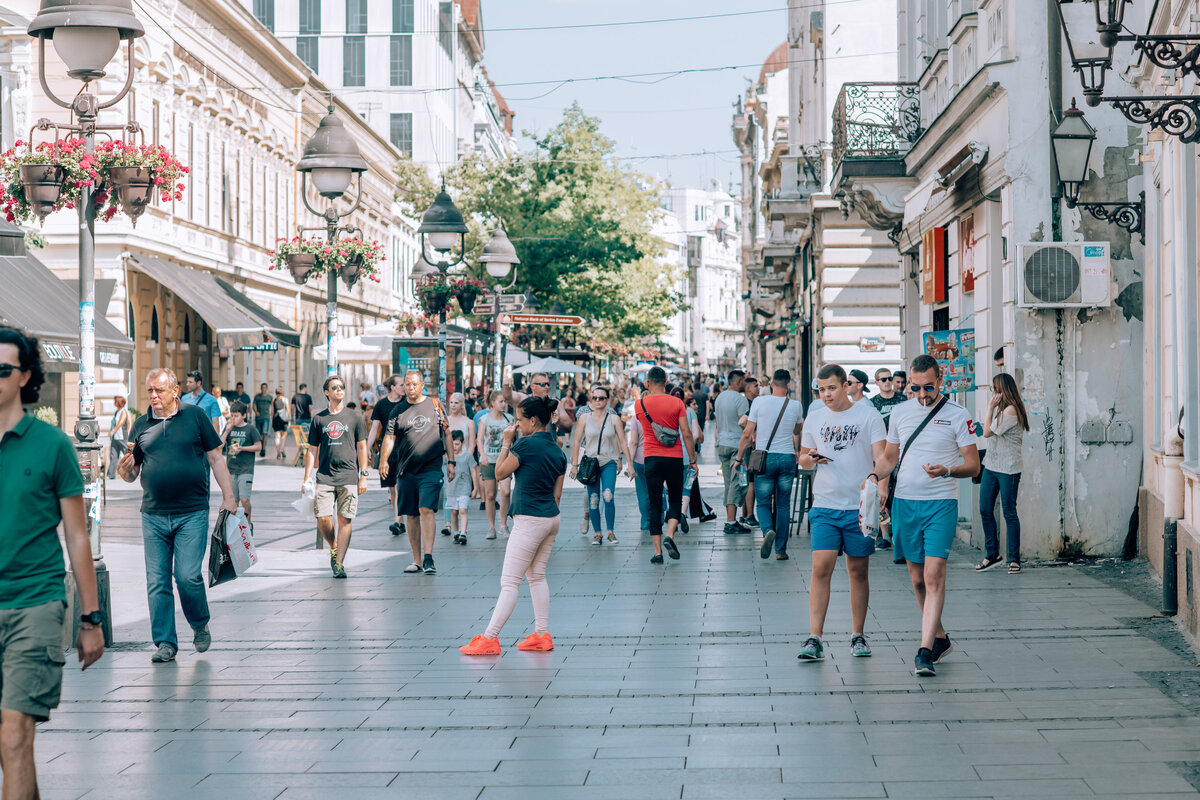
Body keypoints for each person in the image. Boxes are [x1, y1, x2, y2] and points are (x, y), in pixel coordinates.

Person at [0, 327, 105, 800]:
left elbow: (78, 536)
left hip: (35, 606)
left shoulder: (52, 445)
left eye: (3, 370)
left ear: (25, 376)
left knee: (14, 735)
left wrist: (91, 618)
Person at [871, 354, 980, 677]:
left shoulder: (959, 415)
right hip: (905, 503)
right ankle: (940, 637)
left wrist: (948, 470)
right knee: (917, 579)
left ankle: (924, 651)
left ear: (940, 380)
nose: (921, 395)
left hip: (940, 505)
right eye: (915, 388)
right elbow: (890, 457)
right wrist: (873, 478)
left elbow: (973, 465)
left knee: (933, 576)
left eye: (928, 388)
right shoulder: (901, 413)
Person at [118, 367, 236, 663]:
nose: (153, 396)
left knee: (186, 576)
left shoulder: (195, 417)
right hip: (153, 515)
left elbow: (215, 457)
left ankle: (199, 624)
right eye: (149, 391)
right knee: (157, 581)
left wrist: (229, 497)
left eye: (159, 390)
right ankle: (165, 643)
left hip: (191, 513)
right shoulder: (141, 425)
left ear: (175, 391)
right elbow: (133, 473)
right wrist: (124, 472)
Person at [460, 396, 567, 655]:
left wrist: (507, 443)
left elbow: (499, 473)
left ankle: (489, 638)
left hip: (529, 519)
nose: (517, 424)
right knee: (537, 575)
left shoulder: (526, 445)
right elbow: (557, 494)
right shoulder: (557, 450)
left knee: (510, 581)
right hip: (551, 518)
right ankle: (541, 634)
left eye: (519, 419)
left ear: (533, 420)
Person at [795, 365, 887, 661]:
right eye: (821, 390)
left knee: (858, 571)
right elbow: (803, 457)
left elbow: (882, 457)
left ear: (846, 385)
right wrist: (810, 460)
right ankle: (814, 637)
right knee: (821, 568)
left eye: (831, 388)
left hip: (858, 506)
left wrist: (881, 487)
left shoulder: (867, 415)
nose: (826, 395)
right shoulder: (815, 416)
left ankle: (857, 635)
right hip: (824, 504)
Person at [380, 370, 456, 575]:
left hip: (430, 468)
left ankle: (429, 557)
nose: (410, 388)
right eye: (407, 384)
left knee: (426, 509)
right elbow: (389, 437)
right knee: (411, 514)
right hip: (406, 470)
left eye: (414, 384)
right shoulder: (398, 410)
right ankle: (417, 560)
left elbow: (447, 434)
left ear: (422, 385)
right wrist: (383, 460)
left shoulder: (435, 405)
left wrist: (451, 461)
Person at [302, 376, 369, 579]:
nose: (339, 390)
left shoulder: (355, 417)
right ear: (326, 392)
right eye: (335, 387)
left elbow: (362, 446)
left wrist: (363, 475)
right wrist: (306, 478)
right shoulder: (319, 419)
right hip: (325, 476)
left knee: (345, 519)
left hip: (349, 476)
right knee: (322, 517)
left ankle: (339, 563)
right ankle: (334, 545)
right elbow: (312, 449)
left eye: (342, 387)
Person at [734, 369, 804, 560]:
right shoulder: (796, 405)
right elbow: (798, 430)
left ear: (771, 384)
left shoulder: (759, 402)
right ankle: (781, 551)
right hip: (788, 458)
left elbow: (748, 433)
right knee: (782, 505)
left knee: (763, 502)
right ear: (788, 386)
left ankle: (767, 532)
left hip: (764, 458)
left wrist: (739, 458)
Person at [634, 366, 696, 564]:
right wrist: (693, 459)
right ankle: (670, 534)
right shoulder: (677, 402)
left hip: (650, 458)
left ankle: (658, 551)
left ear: (647, 383)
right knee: (676, 498)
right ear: (666, 381)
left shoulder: (639, 404)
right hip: (674, 457)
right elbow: (686, 433)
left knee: (655, 503)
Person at [976, 372, 1029, 573]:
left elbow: (988, 432)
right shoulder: (1001, 411)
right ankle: (993, 554)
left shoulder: (1011, 411)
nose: (992, 392)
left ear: (1000, 390)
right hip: (991, 466)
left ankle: (1014, 558)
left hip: (1008, 469)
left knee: (1009, 512)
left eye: (993, 388)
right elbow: (987, 430)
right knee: (985, 509)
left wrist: (989, 407)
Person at [570, 384, 635, 545]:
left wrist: (628, 464)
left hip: (608, 462)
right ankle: (597, 533)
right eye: (595, 397)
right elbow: (577, 441)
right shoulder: (584, 418)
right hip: (591, 462)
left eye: (601, 398)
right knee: (593, 499)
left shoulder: (614, 419)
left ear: (607, 400)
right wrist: (574, 464)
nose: (598, 400)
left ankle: (611, 532)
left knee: (608, 495)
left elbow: (622, 442)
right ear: (591, 399)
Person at [367, 375, 406, 537]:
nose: (405, 387)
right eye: (402, 385)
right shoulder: (381, 405)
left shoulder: (407, 403)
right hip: (388, 448)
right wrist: (368, 449)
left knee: (399, 485)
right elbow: (374, 428)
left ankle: (398, 520)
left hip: (404, 447)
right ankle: (401, 520)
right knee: (392, 488)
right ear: (393, 387)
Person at [714, 370, 750, 535]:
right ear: (739, 381)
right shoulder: (740, 400)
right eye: (744, 381)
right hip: (737, 445)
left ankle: (731, 520)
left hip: (723, 444)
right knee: (737, 483)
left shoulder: (719, 398)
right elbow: (744, 423)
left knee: (729, 483)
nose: (745, 384)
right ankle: (731, 521)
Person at [477, 390, 513, 539]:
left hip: (504, 460)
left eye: (504, 401)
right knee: (490, 495)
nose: (503, 404)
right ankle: (491, 527)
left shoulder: (508, 418)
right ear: (492, 403)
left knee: (505, 492)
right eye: (501, 401)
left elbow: (513, 439)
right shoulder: (484, 419)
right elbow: (479, 440)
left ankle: (503, 524)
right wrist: (483, 456)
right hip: (489, 460)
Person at [221, 400, 262, 523]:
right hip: (231, 469)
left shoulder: (250, 429)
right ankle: (235, 526)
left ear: (243, 415)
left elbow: (258, 446)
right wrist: (227, 431)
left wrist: (243, 448)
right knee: (233, 501)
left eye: (236, 416)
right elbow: (220, 445)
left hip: (246, 469)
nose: (233, 418)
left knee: (245, 500)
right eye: (231, 415)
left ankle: (247, 524)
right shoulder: (229, 428)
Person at [442, 392, 477, 537]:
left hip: (463, 460)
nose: (453, 405)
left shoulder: (468, 422)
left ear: (462, 404)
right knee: (448, 489)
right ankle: (448, 524)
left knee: (461, 490)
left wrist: (465, 459)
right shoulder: (445, 421)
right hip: (447, 459)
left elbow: (472, 443)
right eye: (451, 402)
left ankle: (461, 529)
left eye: (456, 402)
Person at [624, 400, 651, 534]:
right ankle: (660, 517)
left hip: (640, 459)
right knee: (658, 489)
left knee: (643, 492)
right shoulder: (659, 415)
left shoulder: (636, 418)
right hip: (657, 457)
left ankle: (646, 521)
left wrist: (630, 464)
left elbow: (633, 442)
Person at [445, 430, 474, 545]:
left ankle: (463, 533)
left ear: (462, 443)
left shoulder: (467, 456)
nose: (454, 447)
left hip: (464, 489)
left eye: (456, 444)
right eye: (452, 444)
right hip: (451, 490)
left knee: (463, 510)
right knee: (453, 512)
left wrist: (475, 487)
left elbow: (473, 471)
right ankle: (456, 532)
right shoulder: (447, 458)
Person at [741, 375, 761, 527]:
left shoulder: (747, 403)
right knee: (750, 481)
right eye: (755, 386)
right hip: (749, 447)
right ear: (748, 388)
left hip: (744, 446)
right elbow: (742, 422)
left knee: (746, 479)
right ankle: (749, 515)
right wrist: (753, 433)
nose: (758, 388)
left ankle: (744, 514)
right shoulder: (751, 404)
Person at [106, 394, 131, 479]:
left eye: (115, 402)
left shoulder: (123, 411)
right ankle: (111, 474)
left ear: (119, 403)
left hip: (122, 437)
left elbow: (121, 423)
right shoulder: (117, 412)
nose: (114, 403)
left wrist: (113, 431)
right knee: (113, 455)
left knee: (127, 455)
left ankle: (131, 472)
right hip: (115, 438)